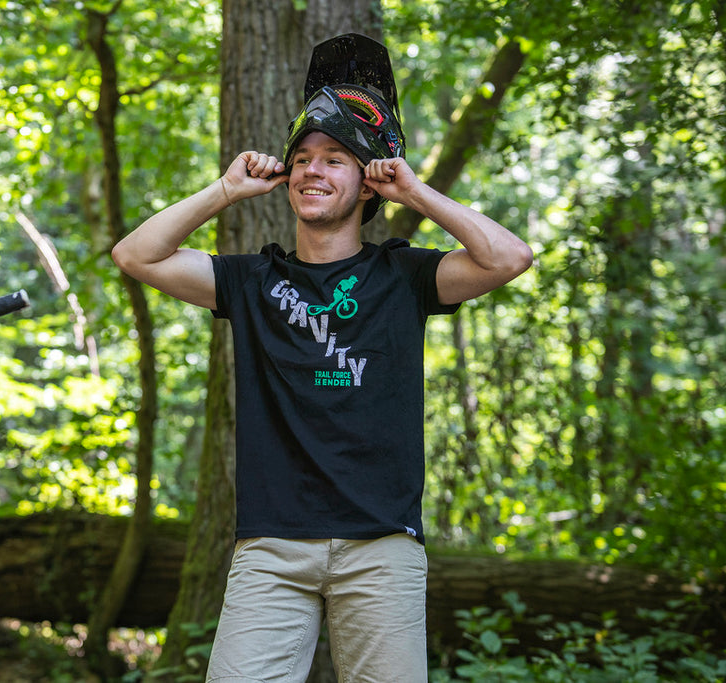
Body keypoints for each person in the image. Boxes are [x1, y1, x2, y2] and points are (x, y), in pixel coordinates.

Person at [112, 41, 533, 683]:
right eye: (303, 159)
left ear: (367, 184)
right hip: (271, 545)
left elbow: (510, 258)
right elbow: (135, 255)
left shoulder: (404, 277)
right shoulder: (251, 282)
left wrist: (416, 193)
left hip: (382, 544)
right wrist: (226, 190)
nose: (313, 171)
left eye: (335, 160)